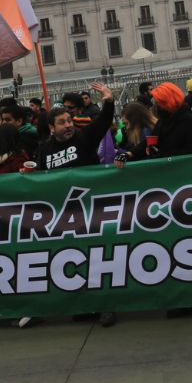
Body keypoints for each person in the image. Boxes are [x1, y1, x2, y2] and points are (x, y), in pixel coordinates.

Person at [37, 82, 118, 327]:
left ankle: (106, 306)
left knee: (99, 258)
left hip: (91, 210)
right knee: (73, 260)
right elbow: (40, 178)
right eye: (62, 122)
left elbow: (103, 122)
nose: (69, 125)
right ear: (52, 128)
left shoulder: (84, 138)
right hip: (63, 216)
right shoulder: (44, 150)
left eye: (69, 120)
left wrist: (109, 100)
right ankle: (85, 306)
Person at [148, 82, 192, 157]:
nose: (156, 106)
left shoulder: (188, 122)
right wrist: (132, 153)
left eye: (159, 102)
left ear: (168, 101)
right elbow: (152, 138)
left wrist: (162, 154)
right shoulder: (163, 120)